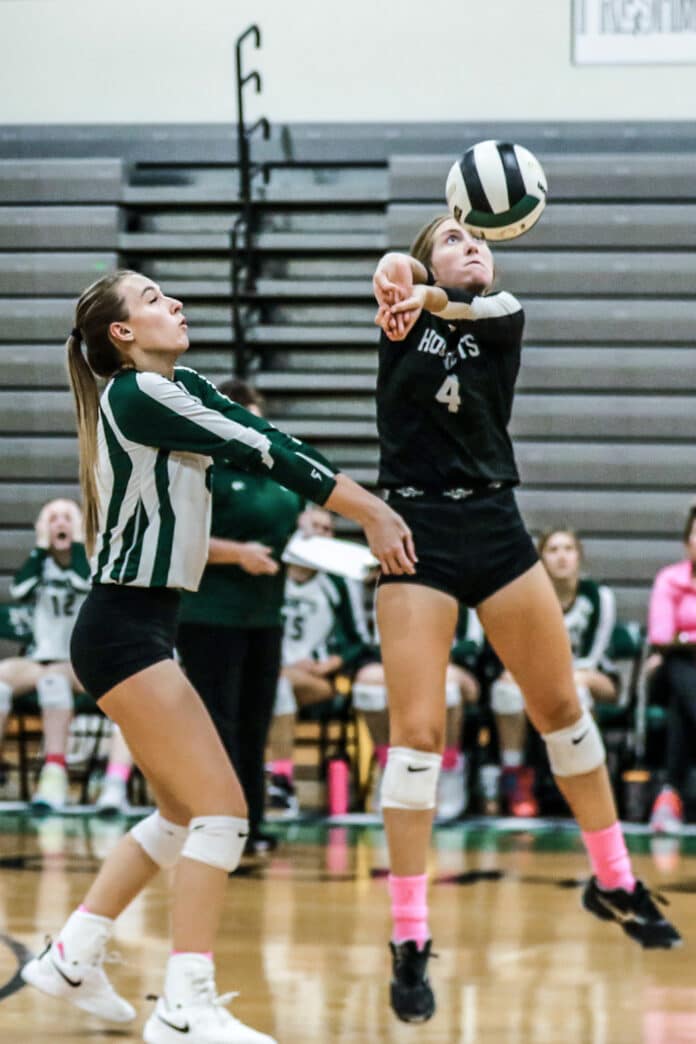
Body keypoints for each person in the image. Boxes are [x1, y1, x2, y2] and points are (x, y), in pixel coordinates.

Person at [20, 269, 415, 1044]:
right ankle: (184, 1005)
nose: (174, 303)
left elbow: (265, 434)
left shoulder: (181, 381)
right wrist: (369, 506)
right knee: (224, 811)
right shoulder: (136, 395)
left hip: (142, 625)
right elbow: (259, 445)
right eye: (153, 299)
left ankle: (72, 955)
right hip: (122, 629)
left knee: (177, 814)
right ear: (122, 335)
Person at [371, 218, 681, 1023]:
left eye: (481, 239)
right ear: (422, 255)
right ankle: (409, 936)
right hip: (417, 534)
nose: (472, 246)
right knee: (414, 738)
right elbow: (395, 271)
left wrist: (423, 286)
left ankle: (612, 879)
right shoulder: (400, 307)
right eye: (451, 239)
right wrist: (394, 277)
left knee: (563, 715)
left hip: (497, 527)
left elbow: (461, 300)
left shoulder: (501, 312)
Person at [176, 378, 304, 853]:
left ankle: (249, 822)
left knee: (255, 722)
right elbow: (183, 537)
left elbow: (295, 529)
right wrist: (238, 554)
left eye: (256, 415)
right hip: (210, 616)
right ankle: (214, 822)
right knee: (217, 722)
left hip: (263, 616)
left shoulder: (274, 472)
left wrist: (313, 536)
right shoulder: (203, 466)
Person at [490, 526, 620, 818]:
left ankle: (582, 783)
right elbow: (520, 651)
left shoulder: (599, 596)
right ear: (541, 559)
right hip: (543, 676)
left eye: (568, 549)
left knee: (577, 689)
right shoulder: (528, 597)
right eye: (553, 550)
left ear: (579, 557)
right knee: (505, 691)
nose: (562, 557)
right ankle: (515, 777)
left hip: (594, 675)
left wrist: (554, 677)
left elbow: (593, 656)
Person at [265, 505, 372, 816]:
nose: (323, 535)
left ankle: (282, 780)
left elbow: (359, 641)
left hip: (317, 680)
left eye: (329, 530)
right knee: (269, 683)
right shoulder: (272, 574)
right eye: (316, 527)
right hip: (266, 671)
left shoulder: (337, 583)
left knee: (279, 684)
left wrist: (332, 663)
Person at [353, 600, 483, 821]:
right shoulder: (394, 575)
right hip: (401, 663)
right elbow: (374, 642)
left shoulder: (463, 577)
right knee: (368, 683)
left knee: (446, 682)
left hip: (453, 664)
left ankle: (449, 769)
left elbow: (473, 642)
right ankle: (389, 769)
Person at [0, 498, 89, 810]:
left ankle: (54, 776)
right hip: (41, 659)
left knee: (54, 683)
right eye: (53, 518)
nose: (60, 524)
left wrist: (77, 542)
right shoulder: (39, 563)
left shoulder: (88, 560)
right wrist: (40, 548)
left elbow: (82, 582)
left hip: (76, 663)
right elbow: (20, 591)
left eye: (67, 517)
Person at [645, 502, 696, 834]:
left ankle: (669, 794)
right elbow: (661, 637)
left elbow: (675, 635)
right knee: (679, 665)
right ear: (687, 540)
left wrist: (685, 636)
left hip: (683, 688)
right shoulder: (669, 579)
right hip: (672, 669)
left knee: (682, 703)